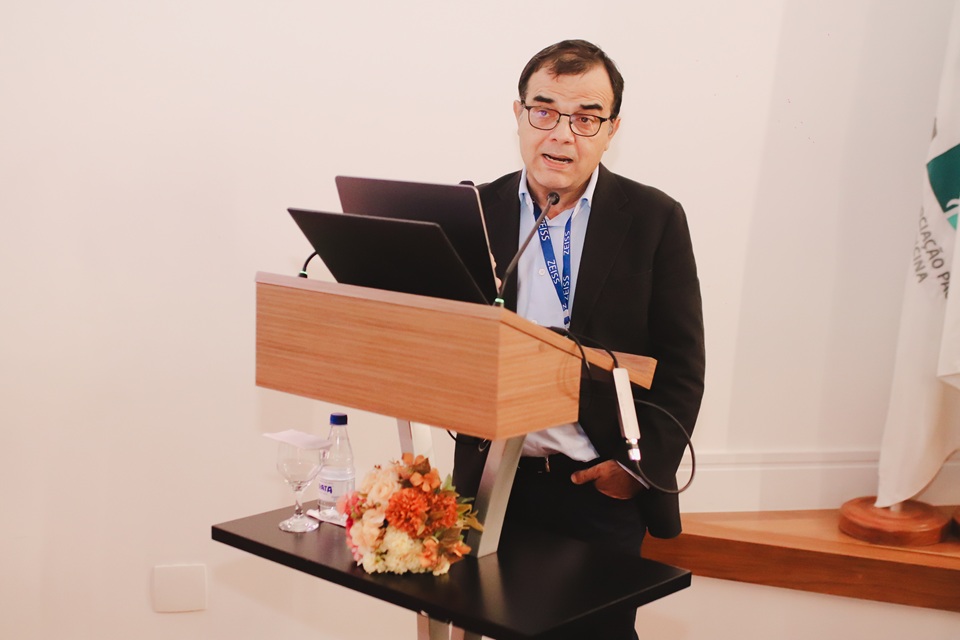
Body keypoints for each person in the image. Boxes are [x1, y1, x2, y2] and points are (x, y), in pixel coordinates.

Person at [453, 40, 705, 639]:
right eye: (544, 111)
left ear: (611, 130)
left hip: (596, 489)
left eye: (586, 118)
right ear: (518, 115)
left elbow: (682, 365)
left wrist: (636, 470)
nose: (561, 136)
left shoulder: (654, 219)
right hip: (493, 487)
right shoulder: (475, 211)